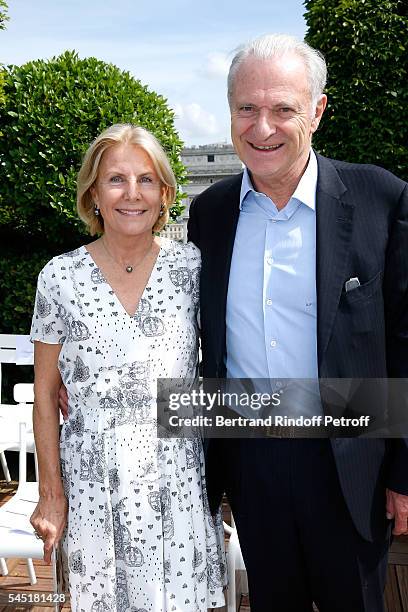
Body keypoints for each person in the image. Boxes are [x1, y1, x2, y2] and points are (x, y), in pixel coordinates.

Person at [188, 34, 408, 612]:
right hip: (250, 464)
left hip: (352, 464)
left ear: (317, 109)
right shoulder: (209, 215)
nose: (262, 128)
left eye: (283, 108)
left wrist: (405, 472)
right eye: (247, 109)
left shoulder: (380, 198)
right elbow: (184, 332)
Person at [30, 123, 226, 612]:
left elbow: (224, 362)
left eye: (146, 180)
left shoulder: (193, 269)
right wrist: (52, 494)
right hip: (94, 486)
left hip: (176, 480)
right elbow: (44, 394)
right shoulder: (59, 276)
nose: (132, 194)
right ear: (94, 192)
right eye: (116, 179)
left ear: (165, 193)